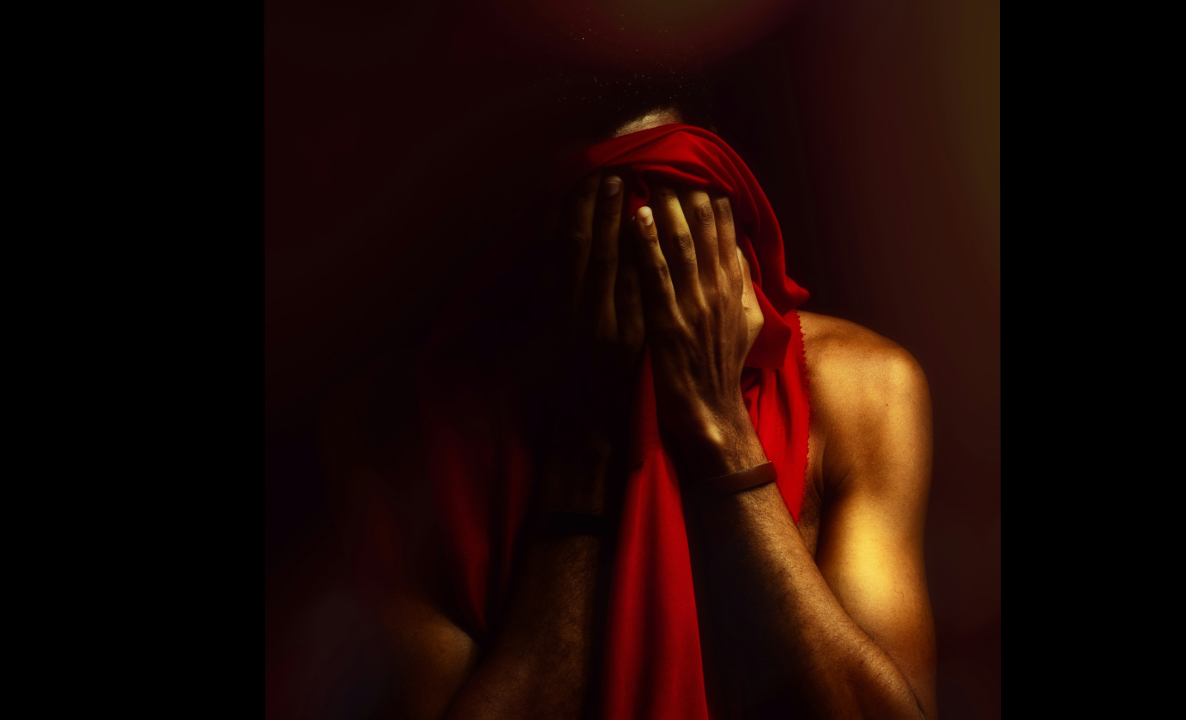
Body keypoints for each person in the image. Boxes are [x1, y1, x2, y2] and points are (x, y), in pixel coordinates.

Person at [322, 99, 936, 720]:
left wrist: (720, 427)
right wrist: (585, 453)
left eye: (674, 227)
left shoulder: (860, 389)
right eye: (596, 244)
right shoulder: (416, 434)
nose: (644, 270)